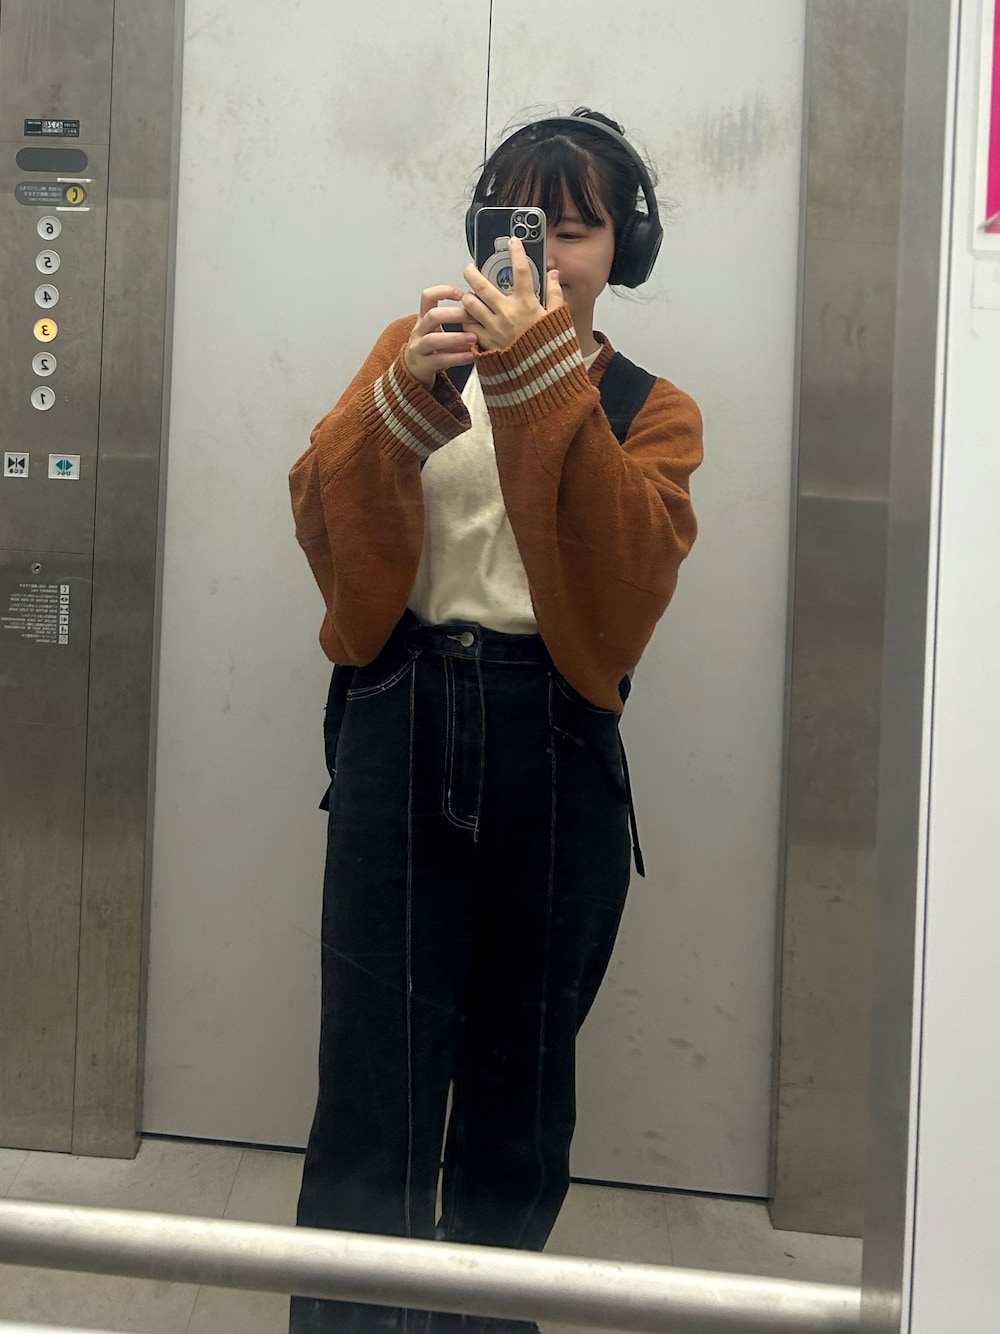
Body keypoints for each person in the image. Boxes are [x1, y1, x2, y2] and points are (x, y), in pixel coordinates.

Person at [287, 108, 704, 1334]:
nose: (546, 254)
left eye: (576, 229)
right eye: (522, 223)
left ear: (624, 248)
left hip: (555, 741)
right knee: (371, 1077)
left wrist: (535, 381)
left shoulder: (651, 407)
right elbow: (320, 521)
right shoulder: (411, 353)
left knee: (518, 1090)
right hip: (401, 711)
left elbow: (623, 587)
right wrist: (403, 399)